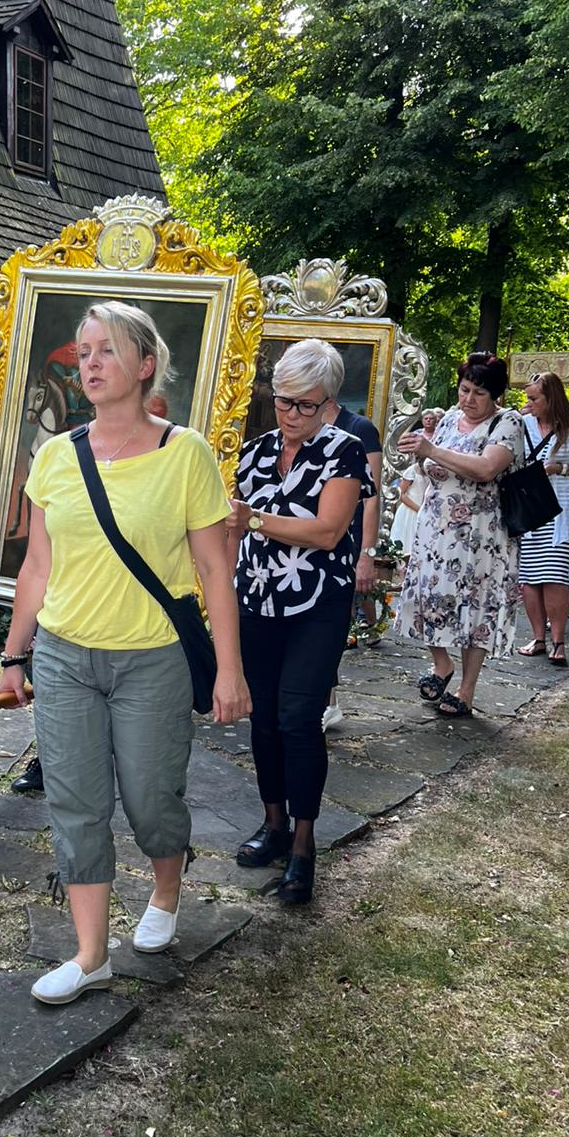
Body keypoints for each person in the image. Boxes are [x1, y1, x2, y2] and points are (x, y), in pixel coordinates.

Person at [0, 301, 249, 1005]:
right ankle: (89, 954)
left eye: (107, 349)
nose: (91, 362)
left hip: (153, 659)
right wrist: (16, 655)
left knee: (148, 801)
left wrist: (229, 669)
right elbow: (37, 567)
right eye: (83, 351)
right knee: (75, 802)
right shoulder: (55, 456)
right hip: (66, 657)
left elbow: (212, 572)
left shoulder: (185, 454)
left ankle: (167, 885)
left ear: (145, 365)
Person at [225, 339, 373, 904]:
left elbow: (328, 531)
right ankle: (273, 824)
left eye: (306, 405)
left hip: (318, 603)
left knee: (298, 718)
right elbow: (231, 526)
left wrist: (254, 518)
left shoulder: (346, 451)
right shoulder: (256, 451)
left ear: (329, 402)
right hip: (256, 598)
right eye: (284, 401)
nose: (291, 414)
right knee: (262, 718)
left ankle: (305, 844)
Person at [394, 352, 525, 718]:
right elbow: (434, 465)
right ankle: (442, 664)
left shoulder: (507, 422)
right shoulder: (451, 418)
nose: (468, 399)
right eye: (464, 390)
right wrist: (421, 453)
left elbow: (486, 469)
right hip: (436, 528)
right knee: (425, 597)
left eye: (478, 394)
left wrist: (432, 449)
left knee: (475, 608)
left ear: (495, 395)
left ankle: (466, 691)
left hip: (481, 535)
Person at [515, 373, 569, 666]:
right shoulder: (521, 424)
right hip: (528, 509)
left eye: (534, 398)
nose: (529, 404)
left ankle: (559, 640)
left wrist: (560, 468)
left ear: (552, 398)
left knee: (553, 572)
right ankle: (538, 637)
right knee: (528, 577)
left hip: (566, 509)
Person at [318, 376, 382, 727]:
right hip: (309, 539)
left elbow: (371, 497)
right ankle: (325, 698)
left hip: (346, 539)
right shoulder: (300, 427)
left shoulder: (359, 429)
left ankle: (326, 701)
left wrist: (366, 553)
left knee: (330, 623)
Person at [389, 407, 442, 555]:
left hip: (423, 509)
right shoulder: (411, 470)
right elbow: (402, 493)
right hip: (411, 511)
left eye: (432, 419)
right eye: (426, 418)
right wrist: (418, 508)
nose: (429, 421)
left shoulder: (432, 471)